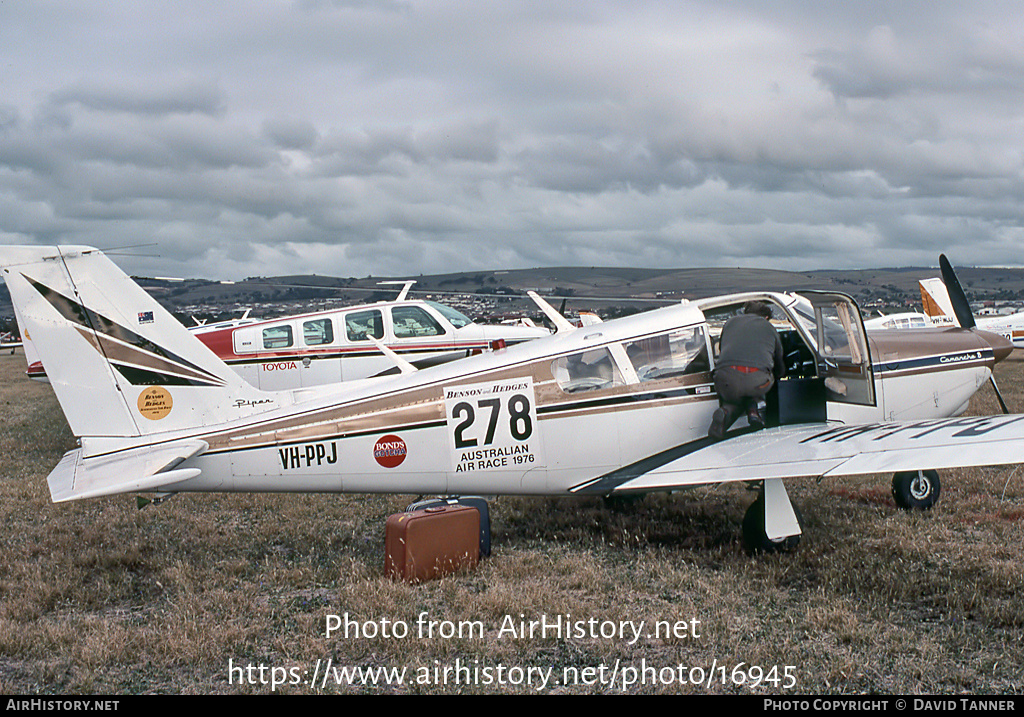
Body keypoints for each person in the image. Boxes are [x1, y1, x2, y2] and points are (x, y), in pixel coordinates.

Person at [708, 300, 786, 440]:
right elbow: (779, 360)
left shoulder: (730, 323)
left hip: (724, 379)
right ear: (766, 317)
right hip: (756, 381)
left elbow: (721, 349)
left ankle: (725, 412)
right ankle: (753, 410)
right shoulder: (768, 327)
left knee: (737, 396)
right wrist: (780, 374)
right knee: (761, 382)